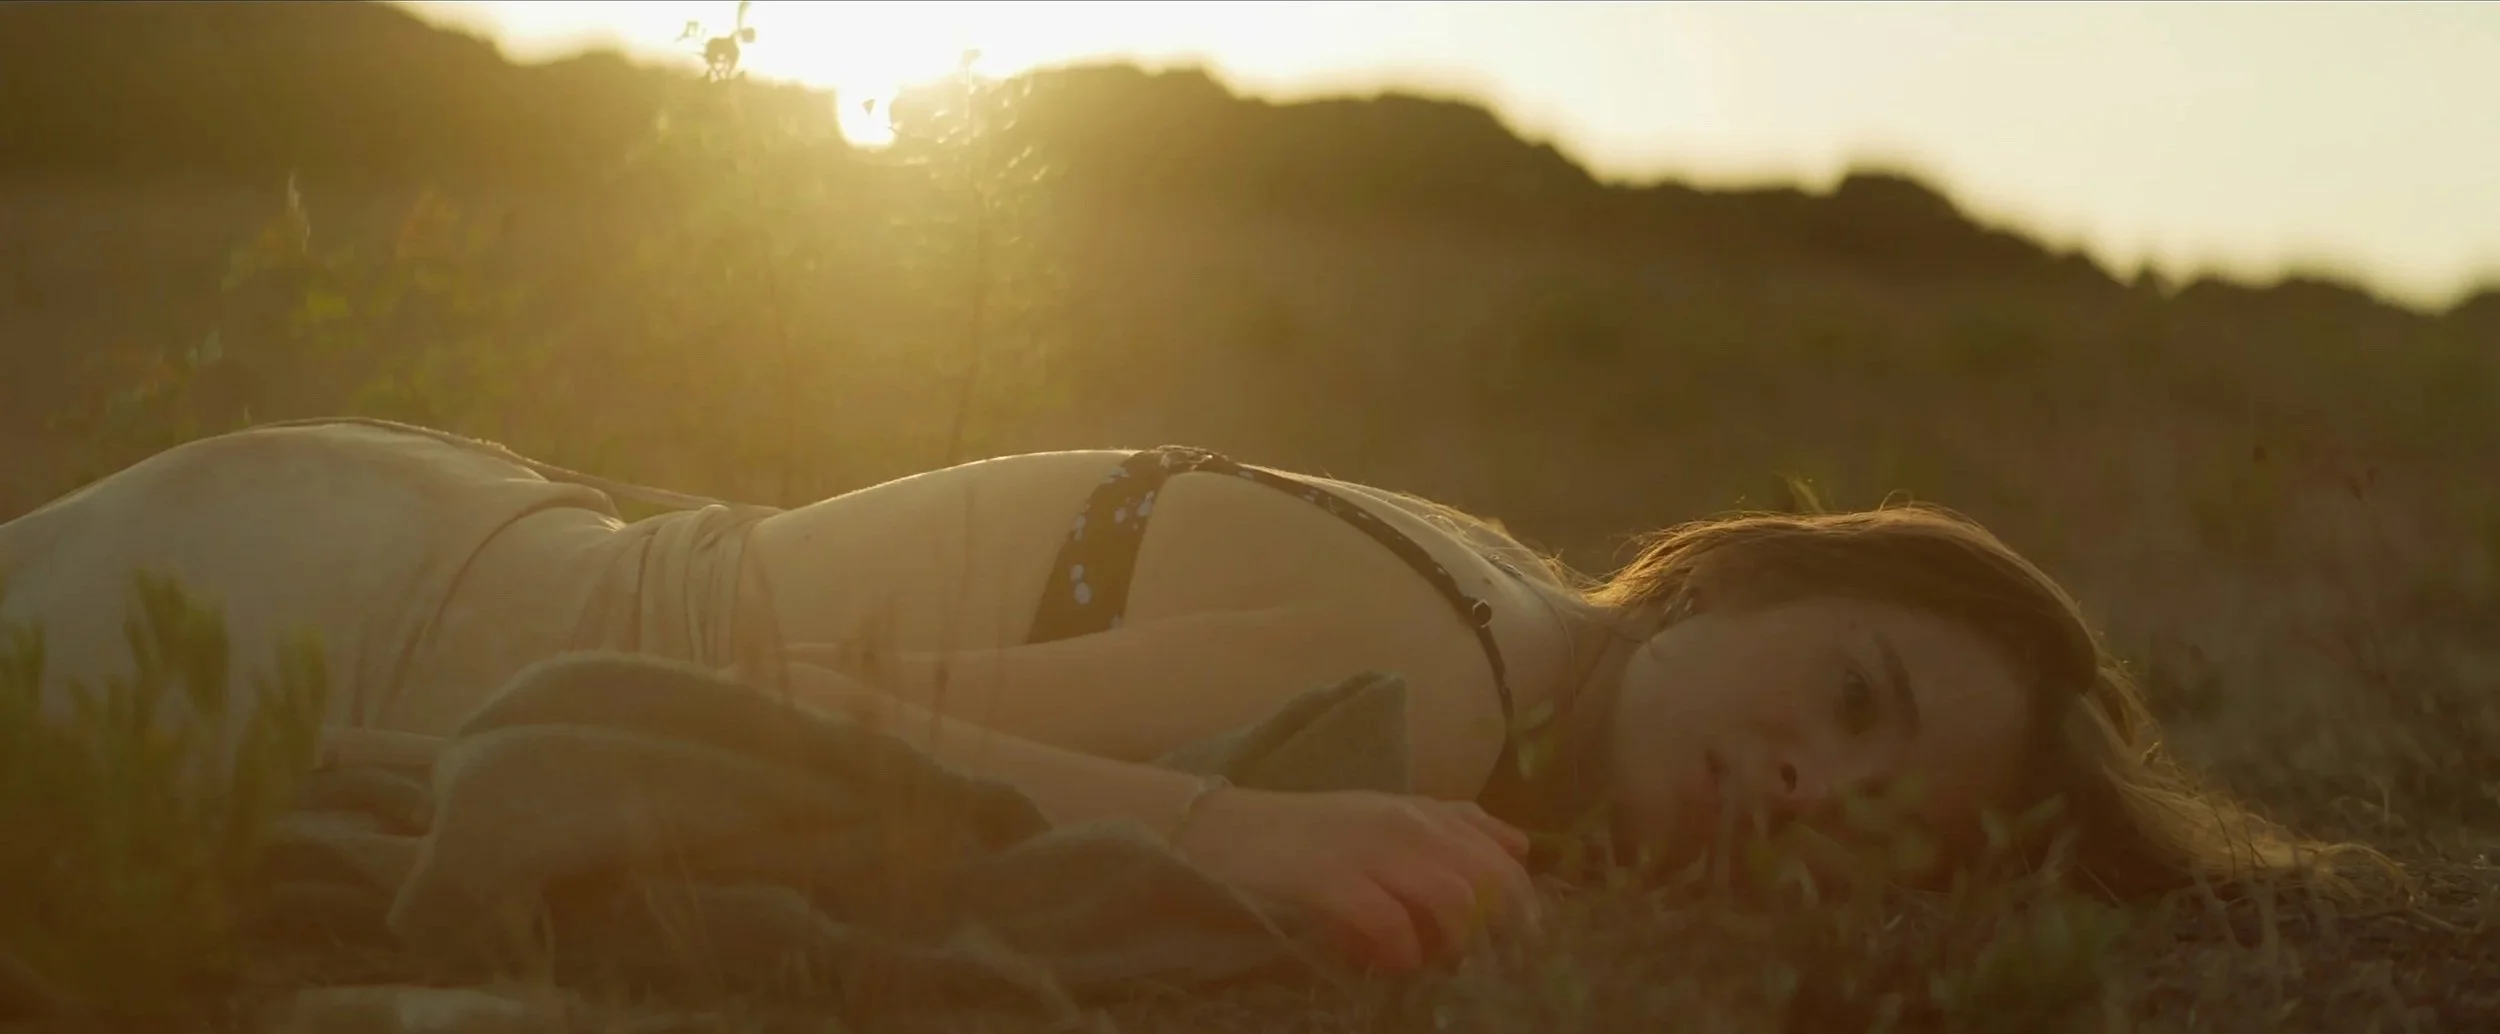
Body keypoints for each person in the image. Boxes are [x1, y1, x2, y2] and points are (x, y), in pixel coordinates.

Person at [0, 421, 2349, 973]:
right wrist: (1238, 838)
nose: (1797, 776)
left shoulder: (1497, 618)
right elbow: (742, 695)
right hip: (339, 634)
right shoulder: (1432, 683)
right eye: (1847, 690)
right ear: (1727, 572)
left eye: (1873, 814)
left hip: (390, 538)